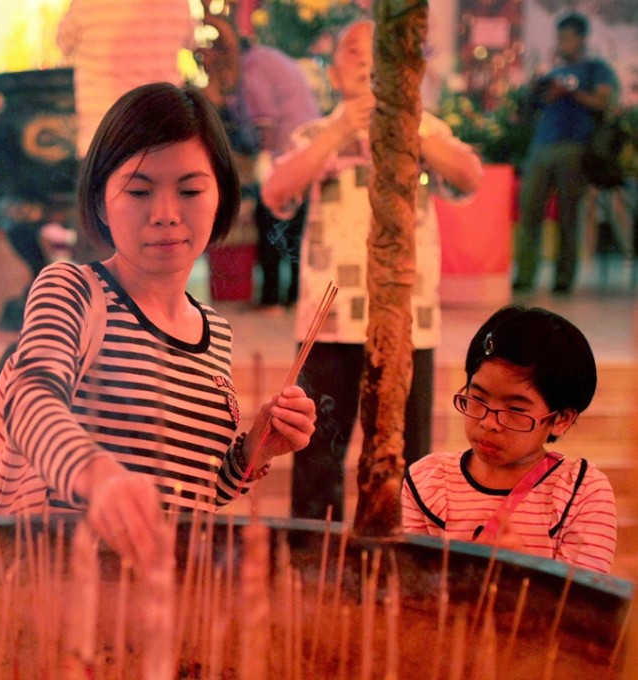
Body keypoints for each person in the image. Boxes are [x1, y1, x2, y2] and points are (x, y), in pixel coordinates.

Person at [0, 82, 317, 570]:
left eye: (190, 189)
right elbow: (31, 404)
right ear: (101, 201)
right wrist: (101, 477)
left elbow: (193, 492)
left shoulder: (215, 335)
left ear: (221, 195)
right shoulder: (72, 291)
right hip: (58, 602)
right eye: (139, 190)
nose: (165, 214)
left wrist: (252, 451)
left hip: (161, 606)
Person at [260, 20, 484, 521]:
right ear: (335, 75)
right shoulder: (316, 134)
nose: (367, 62)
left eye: (378, 55)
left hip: (407, 323)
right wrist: (341, 129)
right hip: (330, 320)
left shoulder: (423, 130)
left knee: (408, 455)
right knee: (317, 451)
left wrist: (410, 129)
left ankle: (402, 560)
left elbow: (470, 177)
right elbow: (276, 193)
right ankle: (312, 564)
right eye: (353, 54)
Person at [402, 305, 617, 574]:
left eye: (515, 410)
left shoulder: (581, 493)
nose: (488, 422)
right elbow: (409, 591)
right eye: (477, 399)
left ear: (561, 419)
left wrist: (522, 571)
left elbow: (584, 609)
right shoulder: (427, 482)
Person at [199, 14, 320, 308]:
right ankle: (291, 297)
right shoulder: (262, 59)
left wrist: (265, 162)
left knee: (271, 225)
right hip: (306, 152)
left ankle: (271, 300)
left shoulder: (251, 71)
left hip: (287, 154)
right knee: (292, 229)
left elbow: (264, 122)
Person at [513, 12, 618, 296]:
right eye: (560, 38)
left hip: (575, 147)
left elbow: (604, 101)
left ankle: (564, 277)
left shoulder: (596, 68)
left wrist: (570, 93)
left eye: (568, 37)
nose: (563, 43)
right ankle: (524, 275)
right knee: (530, 212)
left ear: (581, 38)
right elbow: (526, 110)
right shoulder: (551, 72)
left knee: (569, 215)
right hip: (541, 146)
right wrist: (535, 91)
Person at [57, 0, 196, 159]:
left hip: (102, 134)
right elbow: (192, 40)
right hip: (162, 134)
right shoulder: (177, 3)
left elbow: (64, 44)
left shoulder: (85, 4)